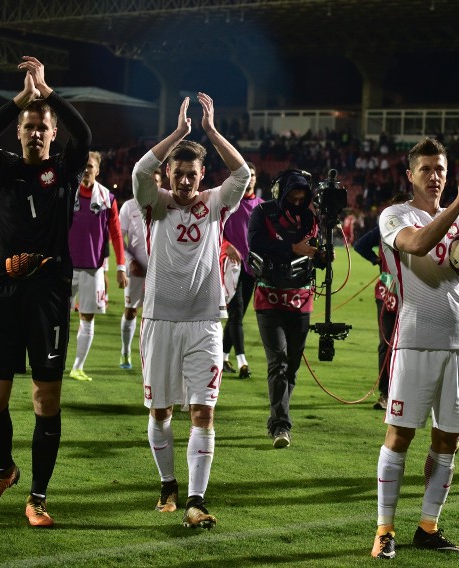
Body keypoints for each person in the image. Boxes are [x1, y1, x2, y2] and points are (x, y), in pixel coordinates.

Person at [371, 139, 459, 560]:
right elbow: (415, 245)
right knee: (400, 436)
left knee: (448, 441)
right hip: (416, 341)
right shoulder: (396, 215)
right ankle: (384, 529)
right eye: (427, 169)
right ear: (410, 174)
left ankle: (428, 526)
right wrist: (457, 206)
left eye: (441, 169)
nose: (435, 176)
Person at [0, 56, 91, 527]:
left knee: (46, 401)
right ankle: (5, 471)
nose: (36, 133)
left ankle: (37, 498)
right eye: (29, 126)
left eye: (43, 127)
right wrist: (20, 99)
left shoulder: (62, 171)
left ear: (52, 134)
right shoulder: (2, 169)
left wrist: (49, 92)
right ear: (19, 132)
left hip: (48, 301)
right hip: (2, 296)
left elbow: (84, 135)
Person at [132, 93, 249, 529]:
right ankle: (167, 484)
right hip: (159, 321)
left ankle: (196, 501)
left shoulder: (215, 203)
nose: (184, 182)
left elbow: (243, 172)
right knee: (160, 412)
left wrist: (212, 131)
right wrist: (181, 131)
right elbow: (140, 170)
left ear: (202, 176)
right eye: (178, 174)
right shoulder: (153, 201)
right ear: (170, 174)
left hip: (204, 323)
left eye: (192, 175)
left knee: (204, 412)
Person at [248, 169, 328, 449]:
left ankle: (278, 416)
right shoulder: (262, 212)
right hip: (269, 297)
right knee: (279, 361)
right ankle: (281, 425)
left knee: (292, 365)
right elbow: (256, 243)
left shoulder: (311, 218)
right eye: (291, 197)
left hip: (301, 297)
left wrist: (320, 256)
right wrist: (293, 248)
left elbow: (315, 256)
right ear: (280, 193)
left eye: (301, 198)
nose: (296, 202)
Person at [67, 150, 127, 381]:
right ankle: (53, 361)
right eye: (83, 166)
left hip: (93, 269)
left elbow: (116, 235)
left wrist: (120, 267)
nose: (86, 170)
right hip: (66, 267)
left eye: (90, 166)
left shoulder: (107, 199)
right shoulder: (68, 192)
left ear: (98, 170)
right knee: (57, 318)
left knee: (87, 318)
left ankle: (77, 367)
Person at [352, 193, 411, 410]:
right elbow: (359, 245)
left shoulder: (414, 228)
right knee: (388, 343)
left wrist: (375, 259)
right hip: (392, 293)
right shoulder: (389, 227)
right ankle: (386, 393)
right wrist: (376, 259)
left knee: (398, 345)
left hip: (396, 293)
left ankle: (394, 392)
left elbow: (360, 245)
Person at [221, 161, 263, 379]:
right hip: (232, 269)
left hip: (252, 271)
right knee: (236, 314)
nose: (250, 178)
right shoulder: (229, 205)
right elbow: (217, 231)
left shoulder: (262, 206)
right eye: (247, 175)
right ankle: (242, 362)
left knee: (237, 316)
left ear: (255, 179)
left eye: (253, 174)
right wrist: (227, 246)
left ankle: (221, 356)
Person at [117, 170, 159, 370]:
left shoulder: (165, 205)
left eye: (158, 182)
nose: (155, 185)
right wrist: (130, 260)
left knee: (156, 315)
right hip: (136, 270)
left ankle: (150, 356)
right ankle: (125, 352)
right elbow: (118, 239)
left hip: (160, 271)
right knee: (132, 311)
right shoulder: (129, 206)